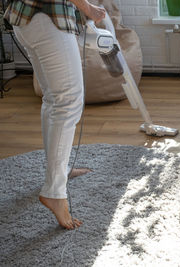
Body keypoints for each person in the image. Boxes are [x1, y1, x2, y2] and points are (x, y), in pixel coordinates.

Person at [4, 0, 106, 230]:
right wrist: (88, 9)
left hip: (30, 19)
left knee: (54, 100)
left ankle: (59, 173)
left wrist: (87, 6)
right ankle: (54, 192)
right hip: (46, 19)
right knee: (68, 102)